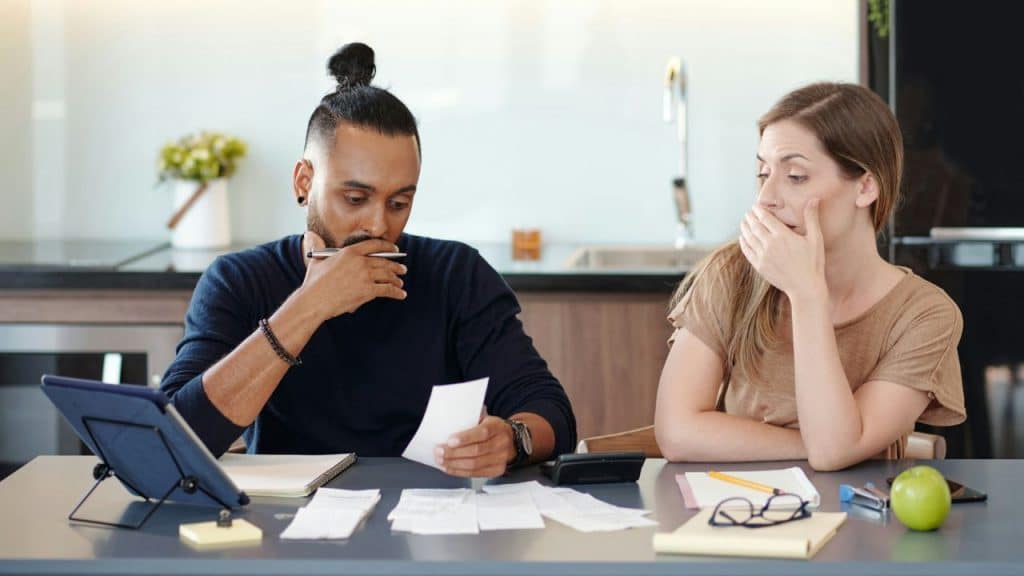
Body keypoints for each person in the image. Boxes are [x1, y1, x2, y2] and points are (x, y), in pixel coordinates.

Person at [161, 43, 576, 478]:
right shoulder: (238, 281)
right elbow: (175, 437)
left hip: (430, 522)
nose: (379, 224)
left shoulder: (456, 275)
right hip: (285, 526)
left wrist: (511, 439)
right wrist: (310, 305)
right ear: (304, 181)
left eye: (398, 203)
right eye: (355, 198)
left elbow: (551, 413)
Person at [654, 82, 965, 471]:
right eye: (762, 173)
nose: (766, 197)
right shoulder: (730, 274)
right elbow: (676, 432)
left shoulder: (925, 315)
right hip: (734, 517)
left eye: (795, 176)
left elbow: (832, 451)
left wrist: (807, 295)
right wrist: (819, 442)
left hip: (862, 525)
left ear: (866, 186)